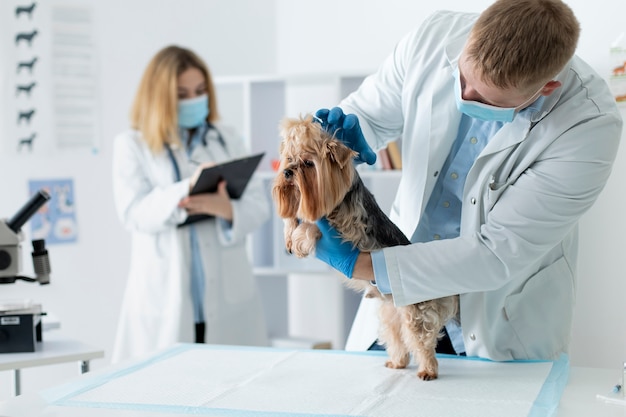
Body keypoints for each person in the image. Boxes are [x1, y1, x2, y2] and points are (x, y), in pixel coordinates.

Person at [313, 0, 622, 361]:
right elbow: (369, 113)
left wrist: (363, 266)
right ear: (471, 37)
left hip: (496, 319)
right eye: (462, 78)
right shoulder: (434, 38)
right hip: (397, 305)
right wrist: (348, 134)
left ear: (547, 88)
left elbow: (494, 252)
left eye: (488, 101)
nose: (465, 96)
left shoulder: (588, 125)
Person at [111, 45, 270, 363]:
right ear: (160, 97)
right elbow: (133, 213)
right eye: (182, 93)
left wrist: (226, 210)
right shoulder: (132, 145)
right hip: (165, 298)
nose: (194, 100)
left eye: (200, 91)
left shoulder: (227, 138)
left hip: (228, 300)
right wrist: (186, 191)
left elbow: (259, 206)